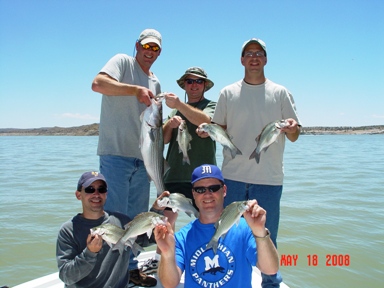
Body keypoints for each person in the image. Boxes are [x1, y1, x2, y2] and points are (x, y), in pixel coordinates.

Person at [199, 38, 301, 287]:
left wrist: (290, 127)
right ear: (242, 60)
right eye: (249, 53)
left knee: (266, 237)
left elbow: (295, 134)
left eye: (259, 53)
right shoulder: (227, 92)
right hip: (232, 177)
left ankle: (270, 282)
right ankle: (229, 279)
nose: (254, 57)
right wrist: (208, 131)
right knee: (229, 235)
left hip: (269, 179)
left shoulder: (280, 93)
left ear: (265, 59)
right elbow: (219, 127)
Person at [91, 28, 162, 281]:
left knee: (135, 220)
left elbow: (156, 129)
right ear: (137, 46)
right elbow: (98, 84)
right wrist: (134, 90)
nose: (149, 52)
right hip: (116, 155)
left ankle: (130, 268)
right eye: (146, 46)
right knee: (114, 218)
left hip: (144, 161)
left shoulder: (156, 82)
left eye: (155, 48)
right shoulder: (122, 62)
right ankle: (107, 273)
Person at [140, 67, 217, 275]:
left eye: (198, 82)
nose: (194, 85)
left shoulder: (211, 106)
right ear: (184, 85)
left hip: (203, 176)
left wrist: (180, 106)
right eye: (189, 81)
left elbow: (207, 122)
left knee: (208, 219)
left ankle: (210, 260)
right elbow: (162, 139)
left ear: (204, 86)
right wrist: (170, 125)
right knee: (165, 221)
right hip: (173, 175)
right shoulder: (173, 112)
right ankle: (159, 260)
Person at [154, 164, 279, 287]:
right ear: (193, 194)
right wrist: (167, 253)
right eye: (200, 190)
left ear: (224, 190)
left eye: (213, 188)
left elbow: (270, 269)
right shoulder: (183, 237)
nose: (207, 194)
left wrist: (260, 231)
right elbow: (169, 283)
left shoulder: (245, 228)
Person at [56, 171, 167, 287]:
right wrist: (90, 253)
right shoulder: (68, 230)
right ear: (78, 195)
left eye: (101, 189)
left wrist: (157, 212)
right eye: (90, 189)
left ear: (106, 194)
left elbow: (142, 239)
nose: (96, 194)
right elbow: (66, 276)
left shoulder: (121, 220)